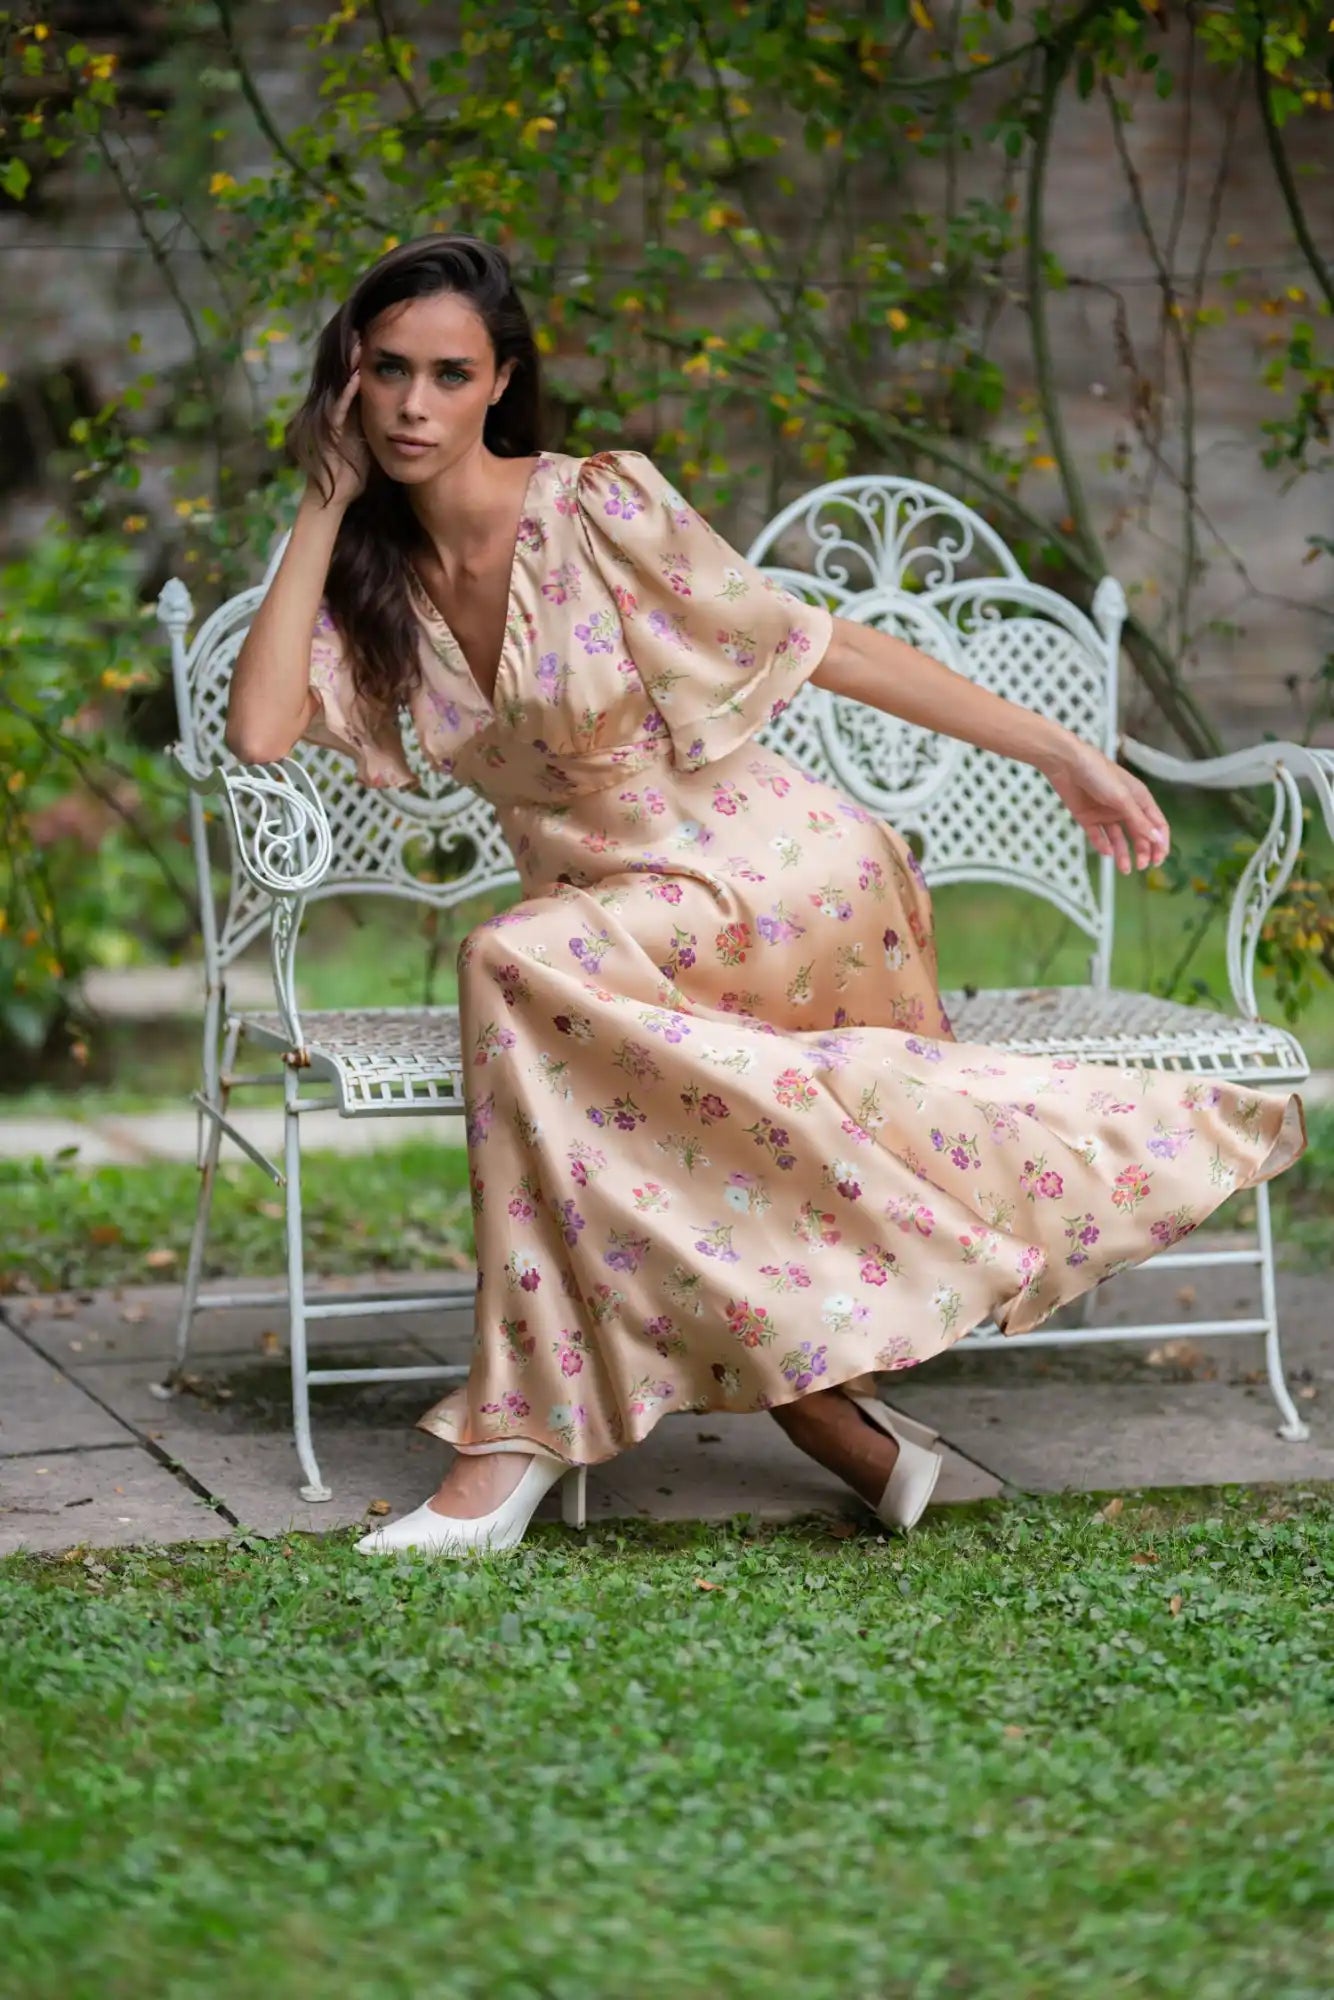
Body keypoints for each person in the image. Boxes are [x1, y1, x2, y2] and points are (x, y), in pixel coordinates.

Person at [226, 234, 1306, 1557]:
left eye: (447, 373)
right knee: (561, 1043)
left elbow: (813, 640)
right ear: (346, 381)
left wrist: (1060, 745)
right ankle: (818, 1416)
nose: (410, 405)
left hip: (772, 879)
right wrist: (322, 505)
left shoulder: (594, 505)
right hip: (607, 925)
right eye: (385, 370)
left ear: (500, 383)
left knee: (508, 970)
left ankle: (512, 1452)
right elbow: (264, 732)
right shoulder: (368, 583)